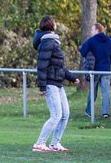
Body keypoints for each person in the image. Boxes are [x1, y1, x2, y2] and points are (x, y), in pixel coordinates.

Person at [32, 15, 80, 152]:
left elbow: (59, 66)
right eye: (55, 23)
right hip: (50, 84)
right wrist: (42, 86)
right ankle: (39, 144)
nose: (56, 25)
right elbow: (42, 66)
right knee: (56, 115)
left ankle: (54, 144)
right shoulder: (48, 42)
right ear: (51, 25)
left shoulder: (53, 41)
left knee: (65, 114)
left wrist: (71, 78)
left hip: (58, 83)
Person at [79, 23, 111, 118]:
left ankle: (89, 111)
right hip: (106, 69)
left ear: (97, 30)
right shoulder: (109, 41)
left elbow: (83, 51)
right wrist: (109, 62)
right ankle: (105, 112)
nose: (91, 32)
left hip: (94, 70)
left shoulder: (91, 41)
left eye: (92, 30)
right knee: (106, 92)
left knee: (92, 92)